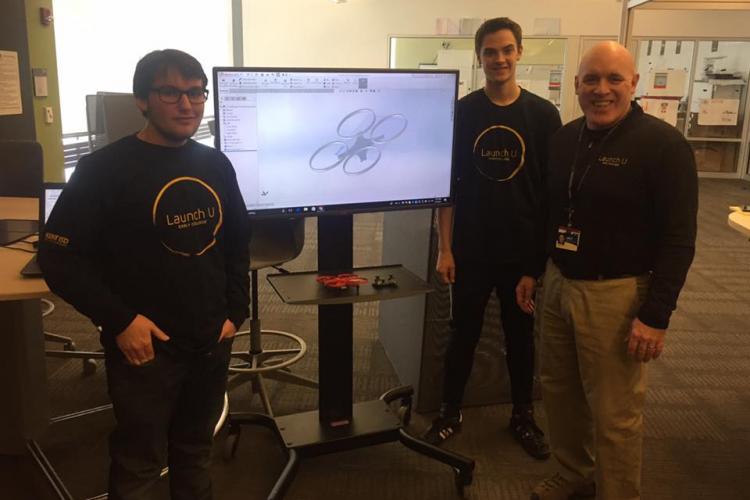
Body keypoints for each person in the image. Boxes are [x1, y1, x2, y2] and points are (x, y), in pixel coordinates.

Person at [39, 49, 250, 500]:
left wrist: (237, 312)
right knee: (140, 461)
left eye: (196, 93)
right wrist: (119, 321)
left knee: (195, 449)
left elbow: (236, 243)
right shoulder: (103, 170)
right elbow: (59, 258)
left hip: (211, 338)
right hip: (145, 348)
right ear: (142, 100)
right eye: (170, 92)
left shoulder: (215, 164)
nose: (187, 104)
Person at [530, 41, 697, 500]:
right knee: (559, 394)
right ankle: (574, 473)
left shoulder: (663, 147)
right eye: (591, 80)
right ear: (577, 85)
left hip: (617, 296)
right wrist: (536, 271)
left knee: (615, 412)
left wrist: (655, 316)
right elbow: (550, 213)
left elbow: (679, 240)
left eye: (613, 79)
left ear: (634, 84)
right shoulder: (565, 139)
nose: (601, 90)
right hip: (559, 282)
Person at [421, 17, 562, 460]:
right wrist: (445, 248)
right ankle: (449, 412)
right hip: (471, 251)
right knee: (462, 333)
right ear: (479, 57)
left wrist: (537, 265)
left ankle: (523, 414)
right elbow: (450, 187)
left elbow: (549, 195)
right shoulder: (463, 112)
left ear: (519, 52)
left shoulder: (543, 115)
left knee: (521, 337)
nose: (498, 59)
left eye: (506, 50)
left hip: (522, 255)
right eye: (489, 52)